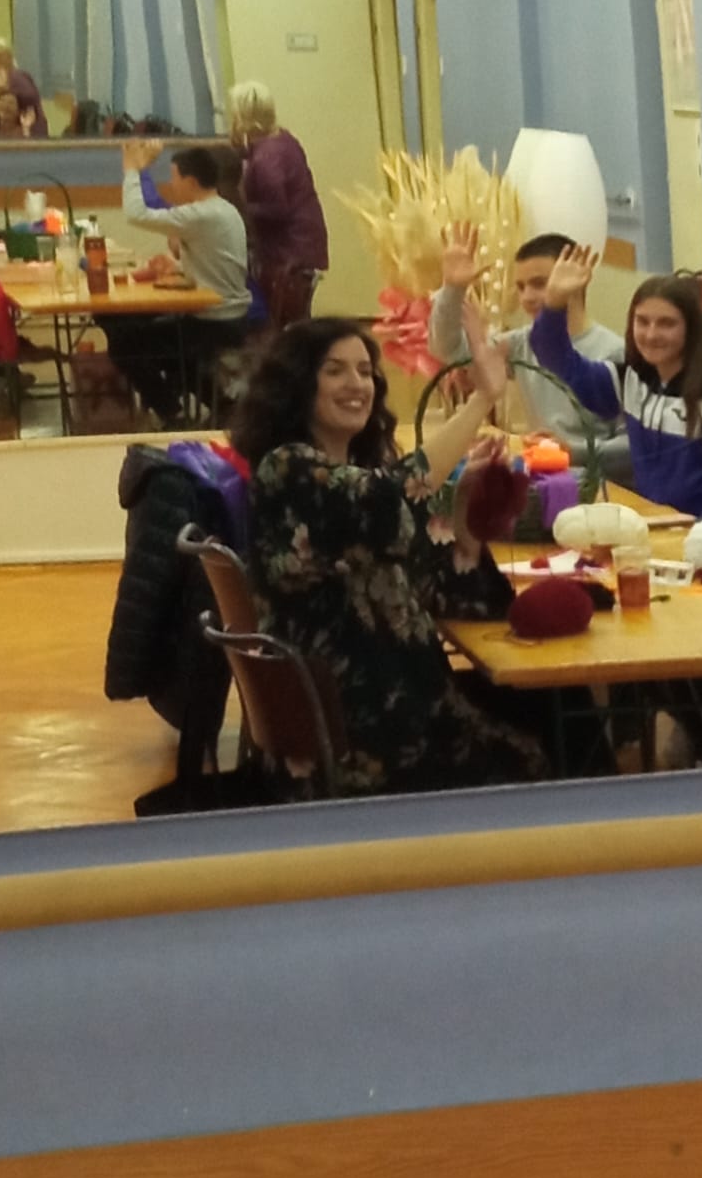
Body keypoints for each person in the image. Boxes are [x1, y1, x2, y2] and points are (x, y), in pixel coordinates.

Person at [231, 312, 549, 795]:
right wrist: (482, 398)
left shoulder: (350, 473)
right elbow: (388, 498)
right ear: (297, 384)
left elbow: (435, 585)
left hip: (392, 701)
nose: (356, 384)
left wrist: (462, 516)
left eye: (365, 371)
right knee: (548, 733)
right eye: (334, 370)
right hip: (366, 726)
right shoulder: (289, 470)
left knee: (549, 702)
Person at [530, 245, 702, 520]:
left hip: (701, 532)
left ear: (691, 329)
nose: (651, 335)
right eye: (642, 321)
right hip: (651, 523)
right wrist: (555, 302)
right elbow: (558, 360)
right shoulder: (631, 379)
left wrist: (700, 536)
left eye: (666, 324)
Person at [429, 224, 625, 466]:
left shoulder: (614, 351)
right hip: (543, 474)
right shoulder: (522, 343)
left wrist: (571, 451)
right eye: (521, 287)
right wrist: (452, 290)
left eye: (540, 284)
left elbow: (634, 447)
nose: (527, 297)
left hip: (598, 482)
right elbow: (449, 351)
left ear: (578, 279)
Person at [107, 139, 251, 422]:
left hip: (216, 320)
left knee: (124, 345)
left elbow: (136, 214)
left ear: (191, 181)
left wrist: (132, 170)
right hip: (230, 316)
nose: (171, 186)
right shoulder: (223, 209)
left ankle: (173, 414)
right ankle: (220, 405)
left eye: (174, 178)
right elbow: (216, 261)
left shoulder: (202, 213)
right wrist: (177, 266)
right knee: (152, 340)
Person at [227, 80, 329, 326]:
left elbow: (277, 209)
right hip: (306, 244)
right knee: (296, 319)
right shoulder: (283, 139)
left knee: (282, 322)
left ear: (243, 117)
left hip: (288, 253)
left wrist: (237, 210)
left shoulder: (267, 157)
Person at [0, 37, 48, 136]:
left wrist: (6, 88)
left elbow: (29, 98)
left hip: (28, 131)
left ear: (8, 58)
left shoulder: (17, 77)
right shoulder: (9, 78)